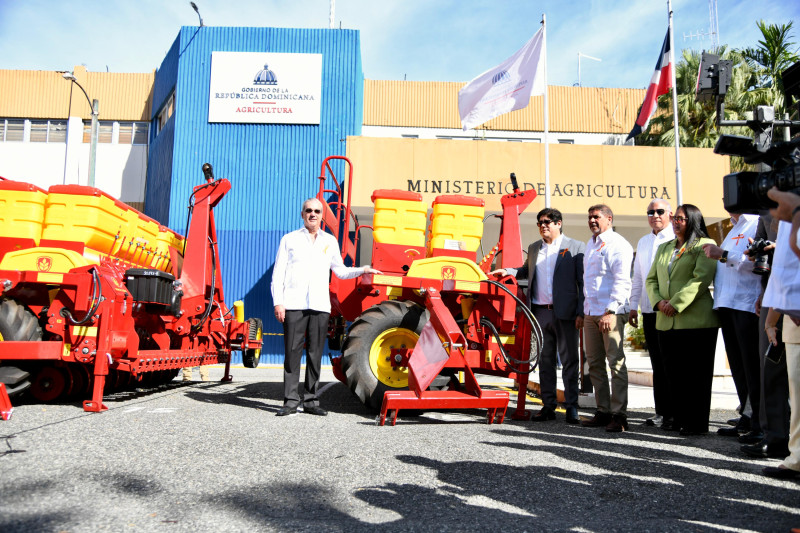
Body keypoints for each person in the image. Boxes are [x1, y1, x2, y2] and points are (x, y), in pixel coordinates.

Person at [271, 197, 381, 417]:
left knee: (314, 354)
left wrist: (363, 269)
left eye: (317, 211)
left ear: (321, 216)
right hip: (294, 305)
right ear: (302, 214)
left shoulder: (329, 241)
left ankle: (310, 401)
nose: (313, 214)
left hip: (320, 307)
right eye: (309, 210)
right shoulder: (289, 239)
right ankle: (290, 401)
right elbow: (278, 273)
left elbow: (340, 271)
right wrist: (278, 302)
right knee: (292, 354)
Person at [491, 208, 585, 424]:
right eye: (540, 222)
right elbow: (525, 270)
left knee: (570, 360)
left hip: (567, 314)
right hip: (540, 313)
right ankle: (548, 405)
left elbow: (583, 282)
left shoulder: (576, 247)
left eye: (547, 221)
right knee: (545, 361)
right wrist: (509, 272)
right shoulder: (534, 248)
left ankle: (571, 407)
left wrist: (581, 312)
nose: (543, 225)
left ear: (559, 223)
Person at [646, 204, 720, 436]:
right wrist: (659, 302)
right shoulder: (665, 247)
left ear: (693, 221)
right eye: (675, 218)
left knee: (696, 376)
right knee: (672, 374)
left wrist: (675, 304)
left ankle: (696, 423)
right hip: (666, 321)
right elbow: (651, 280)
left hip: (696, 321)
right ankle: (678, 418)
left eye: (681, 218)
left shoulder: (705, 245)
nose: (676, 222)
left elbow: (700, 279)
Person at [702, 211, 763, 444]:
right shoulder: (734, 227)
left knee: (751, 367)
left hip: (746, 303)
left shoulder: (756, 224)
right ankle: (746, 417)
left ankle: (759, 420)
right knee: (738, 367)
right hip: (727, 304)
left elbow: (755, 261)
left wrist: (723, 254)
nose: (726, 204)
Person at [580, 204, 634, 432]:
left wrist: (611, 311)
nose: (592, 221)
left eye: (597, 217)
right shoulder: (590, 245)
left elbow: (623, 281)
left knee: (616, 364)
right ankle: (603, 411)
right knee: (594, 365)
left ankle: (619, 415)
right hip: (590, 313)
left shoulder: (618, 244)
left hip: (609, 313)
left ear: (609, 219)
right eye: (590, 217)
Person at [629, 199, 675, 428]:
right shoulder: (644, 241)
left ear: (670, 214)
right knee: (657, 363)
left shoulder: (677, 239)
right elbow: (637, 278)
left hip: (669, 309)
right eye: (650, 212)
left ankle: (675, 412)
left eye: (659, 211)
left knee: (672, 363)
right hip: (649, 310)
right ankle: (662, 412)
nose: (655, 215)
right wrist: (632, 306)